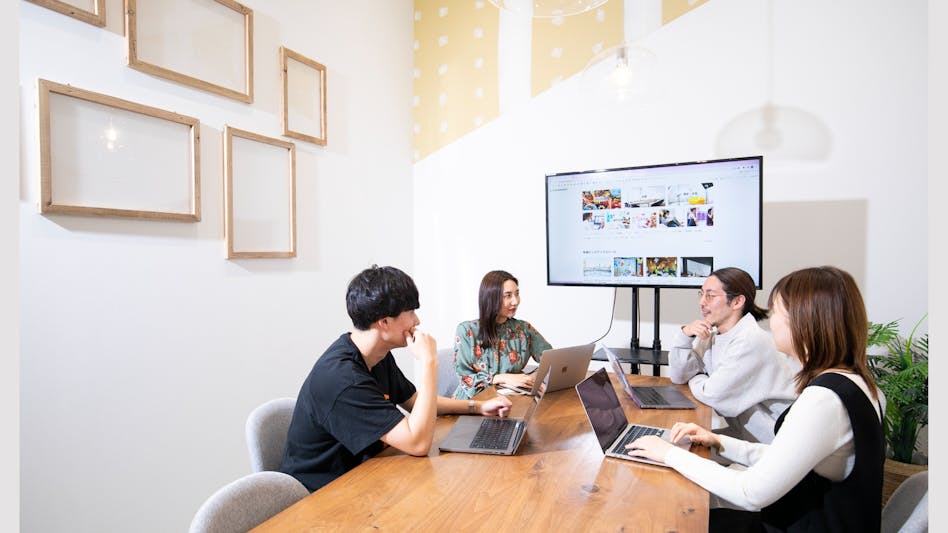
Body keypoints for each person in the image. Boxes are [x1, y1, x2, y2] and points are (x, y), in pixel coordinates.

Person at [628, 266, 885, 531]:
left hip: (793, 523)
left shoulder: (823, 401)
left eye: (776, 312)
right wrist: (718, 441)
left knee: (671, 517)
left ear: (805, 322)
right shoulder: (855, 383)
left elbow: (750, 492)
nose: (770, 322)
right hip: (808, 516)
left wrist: (669, 454)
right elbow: (785, 456)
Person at [282, 266, 512, 492]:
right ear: (384, 322)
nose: (417, 321)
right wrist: (429, 362)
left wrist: (477, 407)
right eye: (411, 312)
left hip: (367, 475)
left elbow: (414, 401)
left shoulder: (376, 355)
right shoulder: (343, 379)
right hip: (323, 494)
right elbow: (418, 444)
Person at [668, 267, 798, 444]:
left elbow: (712, 395)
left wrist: (695, 376)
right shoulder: (713, 335)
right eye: (701, 294)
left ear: (737, 302)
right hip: (746, 434)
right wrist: (685, 334)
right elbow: (679, 376)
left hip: (773, 442)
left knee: (680, 449)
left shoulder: (750, 340)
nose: (702, 302)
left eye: (710, 295)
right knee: (678, 443)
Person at [452, 270, 552, 400]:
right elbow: (465, 378)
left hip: (511, 399)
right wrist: (502, 378)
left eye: (517, 294)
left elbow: (550, 359)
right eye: (508, 295)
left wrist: (532, 380)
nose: (515, 301)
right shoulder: (467, 331)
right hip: (472, 403)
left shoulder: (523, 329)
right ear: (491, 298)